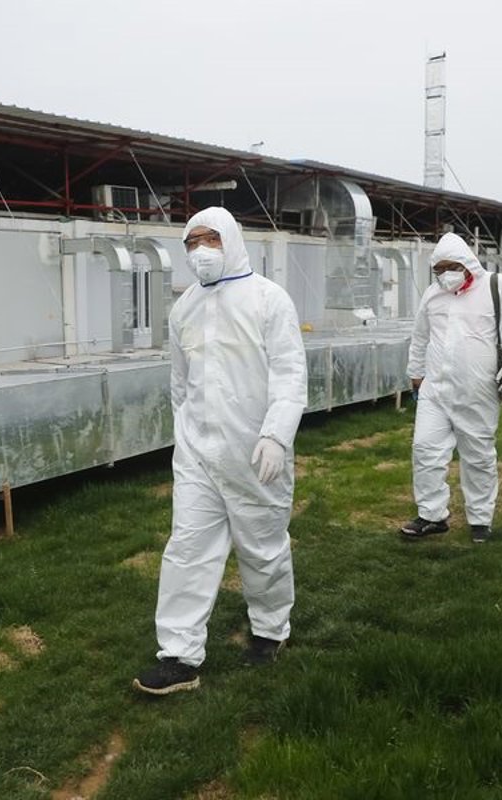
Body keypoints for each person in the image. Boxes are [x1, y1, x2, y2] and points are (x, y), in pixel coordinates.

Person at [133, 207, 308, 696]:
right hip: (198, 455)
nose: (200, 251)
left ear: (230, 240)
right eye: (192, 243)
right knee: (187, 550)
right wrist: (184, 438)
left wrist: (276, 435)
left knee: (262, 548)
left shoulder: (269, 299)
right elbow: (180, 383)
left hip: (255, 451)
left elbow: (290, 373)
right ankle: (179, 656)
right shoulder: (184, 307)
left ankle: (270, 629)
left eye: (210, 239)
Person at [401, 232, 502, 544]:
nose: (445, 274)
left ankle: (480, 520)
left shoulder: (498, 286)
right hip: (435, 389)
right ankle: (432, 516)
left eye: (451, 267)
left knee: (477, 455)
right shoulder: (433, 295)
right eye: (439, 269)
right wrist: (416, 373)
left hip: (477, 389)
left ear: (467, 263)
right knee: (425, 450)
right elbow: (420, 335)